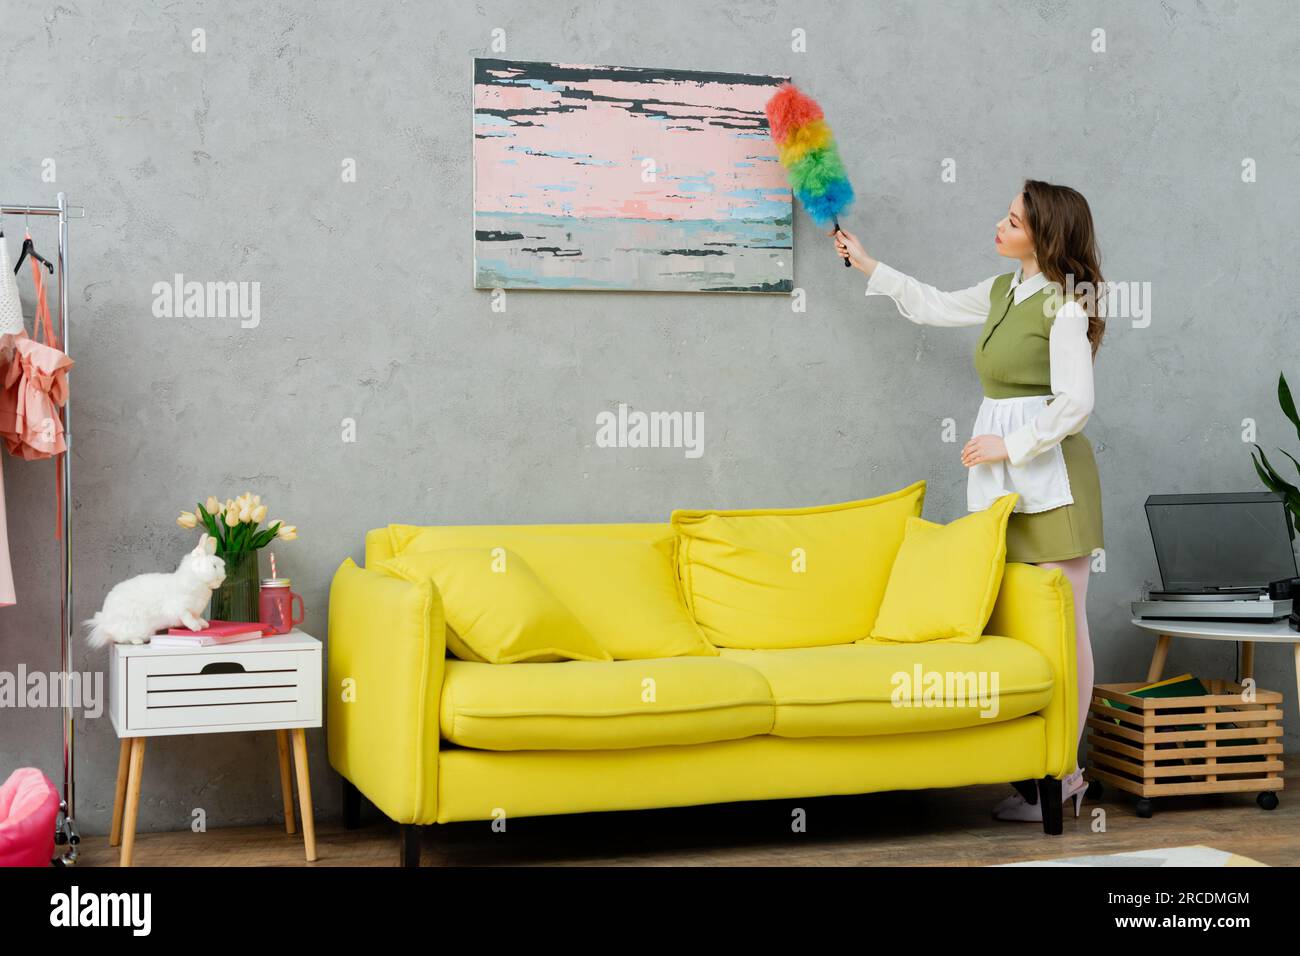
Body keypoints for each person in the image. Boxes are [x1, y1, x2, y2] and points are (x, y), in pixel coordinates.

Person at [834, 180, 1105, 822]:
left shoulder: (1065, 305)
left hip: (1054, 484)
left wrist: (1007, 446)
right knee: (1020, 624)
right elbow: (929, 304)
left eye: (1012, 220)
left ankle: (1064, 774)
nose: (1000, 225)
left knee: (1065, 631)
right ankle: (1036, 772)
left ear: (1044, 237)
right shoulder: (999, 292)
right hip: (1007, 482)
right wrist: (867, 262)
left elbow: (1076, 402)